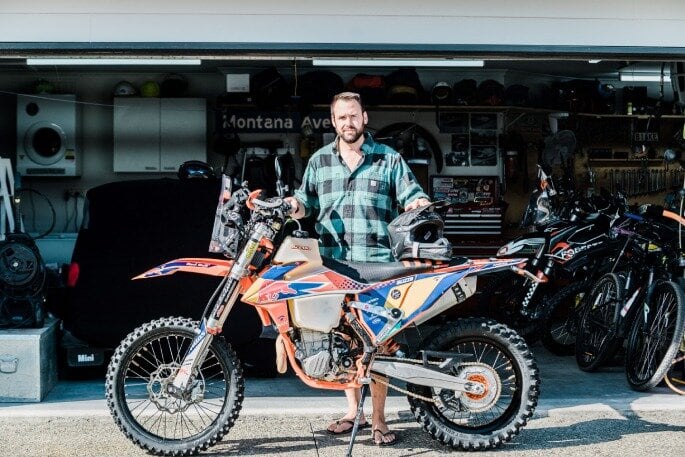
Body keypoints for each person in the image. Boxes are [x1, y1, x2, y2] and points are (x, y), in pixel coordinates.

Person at [285, 91, 430, 446]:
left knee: (378, 344)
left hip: (379, 265)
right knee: (343, 343)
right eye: (340, 118)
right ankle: (355, 413)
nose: (347, 123)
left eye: (353, 116)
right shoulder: (320, 161)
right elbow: (305, 203)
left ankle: (379, 419)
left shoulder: (389, 159)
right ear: (333, 122)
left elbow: (411, 195)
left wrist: (420, 203)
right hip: (333, 264)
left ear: (364, 118)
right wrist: (290, 205)